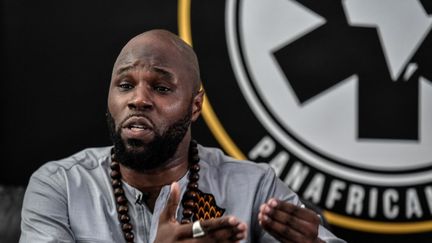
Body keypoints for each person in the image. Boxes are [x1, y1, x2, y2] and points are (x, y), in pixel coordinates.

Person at [19, 29, 345, 243]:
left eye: (160, 88)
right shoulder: (59, 186)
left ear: (195, 106)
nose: (138, 99)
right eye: (125, 85)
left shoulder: (256, 187)